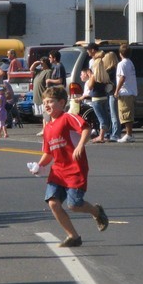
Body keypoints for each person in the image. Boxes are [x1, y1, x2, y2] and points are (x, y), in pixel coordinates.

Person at [28, 86, 108, 248]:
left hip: (75, 169)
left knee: (74, 205)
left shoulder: (68, 117)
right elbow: (48, 153)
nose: (47, 105)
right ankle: (73, 236)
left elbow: (86, 128)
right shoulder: (48, 128)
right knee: (53, 203)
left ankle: (96, 212)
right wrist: (39, 165)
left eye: (50, 102)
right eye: (44, 103)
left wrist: (80, 145)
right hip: (57, 171)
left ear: (62, 102)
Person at [85, 43, 113, 143]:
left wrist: (89, 77)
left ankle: (101, 136)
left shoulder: (94, 70)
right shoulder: (104, 69)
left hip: (96, 96)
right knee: (105, 115)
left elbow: (90, 84)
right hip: (104, 95)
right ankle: (106, 134)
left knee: (101, 118)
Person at [114, 44, 137, 143]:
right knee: (129, 114)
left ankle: (129, 134)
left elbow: (122, 77)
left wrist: (116, 90)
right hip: (131, 91)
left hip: (125, 92)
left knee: (125, 114)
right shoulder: (130, 63)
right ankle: (129, 134)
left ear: (120, 54)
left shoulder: (121, 64)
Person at [31, 57, 53, 137]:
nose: (41, 64)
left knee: (46, 114)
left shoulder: (48, 72)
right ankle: (44, 129)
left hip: (43, 96)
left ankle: (47, 130)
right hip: (37, 96)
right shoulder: (39, 71)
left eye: (42, 63)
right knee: (43, 115)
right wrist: (35, 63)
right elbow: (31, 69)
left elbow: (48, 85)